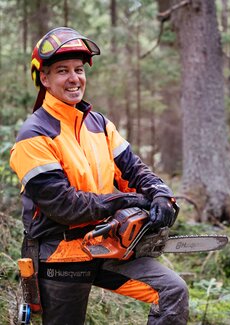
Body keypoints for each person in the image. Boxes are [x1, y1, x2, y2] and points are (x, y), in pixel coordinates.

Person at [10, 27, 189, 325]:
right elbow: (65, 206)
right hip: (61, 254)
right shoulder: (34, 134)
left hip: (108, 245)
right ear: (45, 79)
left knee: (171, 291)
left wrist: (159, 193)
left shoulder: (99, 125)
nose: (74, 78)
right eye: (62, 71)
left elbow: (133, 168)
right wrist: (131, 201)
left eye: (79, 70)